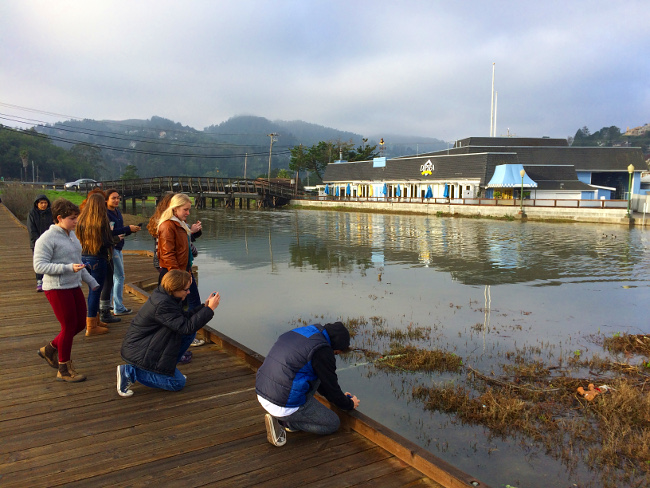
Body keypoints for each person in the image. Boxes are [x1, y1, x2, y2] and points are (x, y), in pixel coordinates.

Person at [116, 270, 220, 396]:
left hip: (148, 343)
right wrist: (209, 310)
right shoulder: (163, 304)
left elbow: (183, 319)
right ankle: (130, 372)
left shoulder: (167, 296)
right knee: (177, 383)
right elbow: (186, 326)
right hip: (139, 350)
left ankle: (165, 370)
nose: (189, 292)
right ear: (175, 289)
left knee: (189, 334)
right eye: (186, 289)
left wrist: (204, 307)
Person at [255, 322, 360, 447]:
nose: (335, 355)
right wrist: (349, 404)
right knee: (332, 423)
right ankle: (284, 422)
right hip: (282, 403)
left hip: (262, 391)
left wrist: (340, 397)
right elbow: (330, 388)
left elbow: (324, 383)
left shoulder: (304, 332)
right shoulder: (323, 351)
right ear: (336, 347)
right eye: (336, 353)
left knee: (315, 373)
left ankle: (284, 417)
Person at [33, 198, 99, 382]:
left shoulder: (71, 235)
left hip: (73, 285)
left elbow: (78, 263)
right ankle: (64, 368)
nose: (76, 221)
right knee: (68, 326)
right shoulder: (46, 239)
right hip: (57, 288)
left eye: (76, 217)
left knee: (79, 324)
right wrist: (68, 268)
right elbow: (39, 266)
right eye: (72, 218)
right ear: (59, 218)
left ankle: (49, 349)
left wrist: (92, 282)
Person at [156, 193, 205, 350]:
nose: (188, 213)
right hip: (175, 274)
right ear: (175, 208)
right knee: (176, 309)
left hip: (184, 271)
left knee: (188, 305)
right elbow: (168, 254)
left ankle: (186, 337)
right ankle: (184, 338)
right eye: (185, 209)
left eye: (189, 209)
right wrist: (180, 278)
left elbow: (185, 248)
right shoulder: (168, 225)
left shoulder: (179, 224)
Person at [76, 193, 115, 336]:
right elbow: (106, 242)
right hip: (98, 258)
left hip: (84, 257)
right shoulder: (101, 221)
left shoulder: (81, 220)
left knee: (92, 290)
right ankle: (91, 325)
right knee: (95, 291)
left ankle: (96, 320)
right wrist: (114, 239)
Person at [105, 188, 141, 316]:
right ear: (106, 199)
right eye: (113, 198)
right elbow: (109, 233)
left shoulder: (117, 212)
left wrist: (131, 230)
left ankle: (109, 305)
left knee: (113, 277)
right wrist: (128, 228)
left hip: (119, 247)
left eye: (118, 198)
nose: (116, 200)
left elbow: (119, 230)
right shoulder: (105, 214)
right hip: (111, 248)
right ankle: (118, 307)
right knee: (119, 276)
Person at [27, 194, 53, 292]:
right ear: (37, 204)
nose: (43, 205)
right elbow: (31, 229)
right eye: (41, 203)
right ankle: (39, 280)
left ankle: (48, 279)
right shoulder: (32, 214)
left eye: (45, 203)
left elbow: (54, 226)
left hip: (50, 241)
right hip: (36, 242)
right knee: (39, 261)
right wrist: (38, 241)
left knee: (50, 260)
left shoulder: (51, 213)